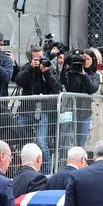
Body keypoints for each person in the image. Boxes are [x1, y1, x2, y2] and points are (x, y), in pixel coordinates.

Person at [15, 46, 62, 175]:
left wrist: (45, 71)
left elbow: (57, 87)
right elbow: (18, 81)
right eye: (36, 58)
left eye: (41, 57)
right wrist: (30, 68)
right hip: (25, 110)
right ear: (31, 57)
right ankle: (23, 170)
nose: (38, 60)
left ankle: (47, 172)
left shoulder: (49, 67)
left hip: (42, 111)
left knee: (41, 142)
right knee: (22, 141)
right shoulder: (26, 67)